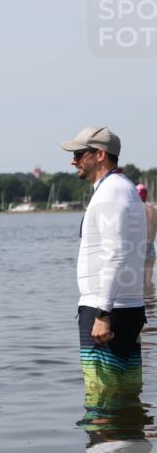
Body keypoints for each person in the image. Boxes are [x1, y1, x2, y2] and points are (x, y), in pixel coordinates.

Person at [61, 126, 147, 414]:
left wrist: (102, 313)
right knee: (124, 397)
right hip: (125, 306)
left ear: (99, 155)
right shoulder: (124, 189)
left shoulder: (111, 193)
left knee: (102, 399)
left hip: (108, 309)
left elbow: (117, 254)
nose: (73, 161)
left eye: (78, 154)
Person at [139, 184, 156, 287]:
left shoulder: (135, 210)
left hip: (139, 248)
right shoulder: (154, 210)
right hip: (151, 249)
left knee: (138, 283)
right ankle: (151, 302)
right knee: (148, 283)